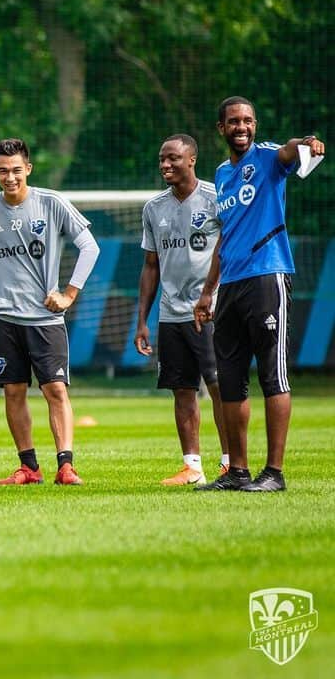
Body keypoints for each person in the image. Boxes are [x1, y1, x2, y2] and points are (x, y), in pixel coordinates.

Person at [193, 96, 324, 492]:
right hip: (230, 285)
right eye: (234, 121)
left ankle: (275, 473)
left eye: (248, 120)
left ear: (255, 125)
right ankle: (237, 472)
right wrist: (207, 292)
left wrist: (308, 141)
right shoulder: (221, 174)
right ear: (221, 128)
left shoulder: (267, 157)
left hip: (267, 277)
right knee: (230, 381)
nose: (242, 127)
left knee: (272, 375)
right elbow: (225, 236)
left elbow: (290, 149)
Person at [0, 138, 100, 487]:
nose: (10, 177)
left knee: (55, 390)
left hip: (45, 319)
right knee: (13, 392)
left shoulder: (52, 203)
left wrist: (69, 294)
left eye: (16, 170)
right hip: (3, 319)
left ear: (27, 168)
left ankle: (66, 466)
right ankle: (29, 468)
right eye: (3, 171)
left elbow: (89, 247)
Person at [134, 134, 229, 486]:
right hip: (171, 315)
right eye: (162, 158)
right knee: (181, 388)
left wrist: (211, 295)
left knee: (220, 385)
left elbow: (228, 250)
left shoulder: (216, 199)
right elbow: (150, 266)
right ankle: (192, 467)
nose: (165, 165)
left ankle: (229, 462)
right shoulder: (153, 208)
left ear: (192, 159)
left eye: (173, 158)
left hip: (210, 312)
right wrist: (142, 320)